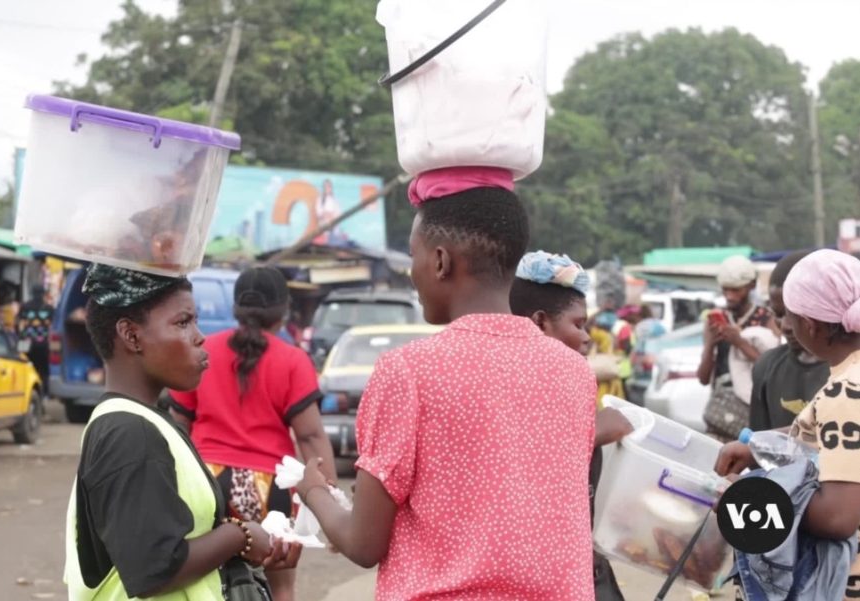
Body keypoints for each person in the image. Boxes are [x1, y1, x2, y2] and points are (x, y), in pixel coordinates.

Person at [297, 180, 597, 598]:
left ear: (440, 261)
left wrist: (313, 491)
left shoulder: (408, 371)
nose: (410, 271)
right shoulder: (574, 373)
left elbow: (364, 543)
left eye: (412, 256)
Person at [65, 264, 298, 601]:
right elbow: (154, 568)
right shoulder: (130, 433)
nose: (198, 336)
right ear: (131, 336)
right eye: (183, 322)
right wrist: (241, 535)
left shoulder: (145, 422)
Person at [169, 266, 337, 601]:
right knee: (281, 588)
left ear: (236, 308)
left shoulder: (204, 352)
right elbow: (310, 436)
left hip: (208, 482)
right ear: (283, 310)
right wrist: (329, 501)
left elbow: (178, 426)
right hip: (269, 489)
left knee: (205, 583)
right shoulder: (293, 360)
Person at [716, 249, 860, 600]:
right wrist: (758, 447)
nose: (784, 326)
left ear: (809, 324)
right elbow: (832, 437)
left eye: (788, 316)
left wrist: (746, 501)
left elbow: (837, 516)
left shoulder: (848, 390)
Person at [511, 250, 633, 601]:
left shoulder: (571, 384)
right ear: (539, 322)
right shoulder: (511, 389)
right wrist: (592, 430)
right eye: (578, 325)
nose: (587, 338)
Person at [698, 255, 776, 441]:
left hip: (755, 412)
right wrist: (711, 343)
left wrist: (738, 342)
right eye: (725, 290)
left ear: (751, 286)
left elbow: (772, 370)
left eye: (736, 290)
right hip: (721, 416)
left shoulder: (767, 319)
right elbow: (703, 378)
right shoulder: (715, 319)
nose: (729, 296)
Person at [749, 251, 829, 431]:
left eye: (793, 314)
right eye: (778, 314)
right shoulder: (767, 366)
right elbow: (758, 445)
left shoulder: (850, 370)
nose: (785, 325)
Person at [18, 285, 55, 394]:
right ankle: (42, 394)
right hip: (43, 344)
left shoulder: (24, 307)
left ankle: (26, 394)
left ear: (32, 293)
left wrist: (21, 340)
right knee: (43, 370)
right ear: (43, 294)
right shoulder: (49, 309)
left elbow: (19, 325)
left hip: (25, 343)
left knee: (25, 369)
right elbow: (53, 327)